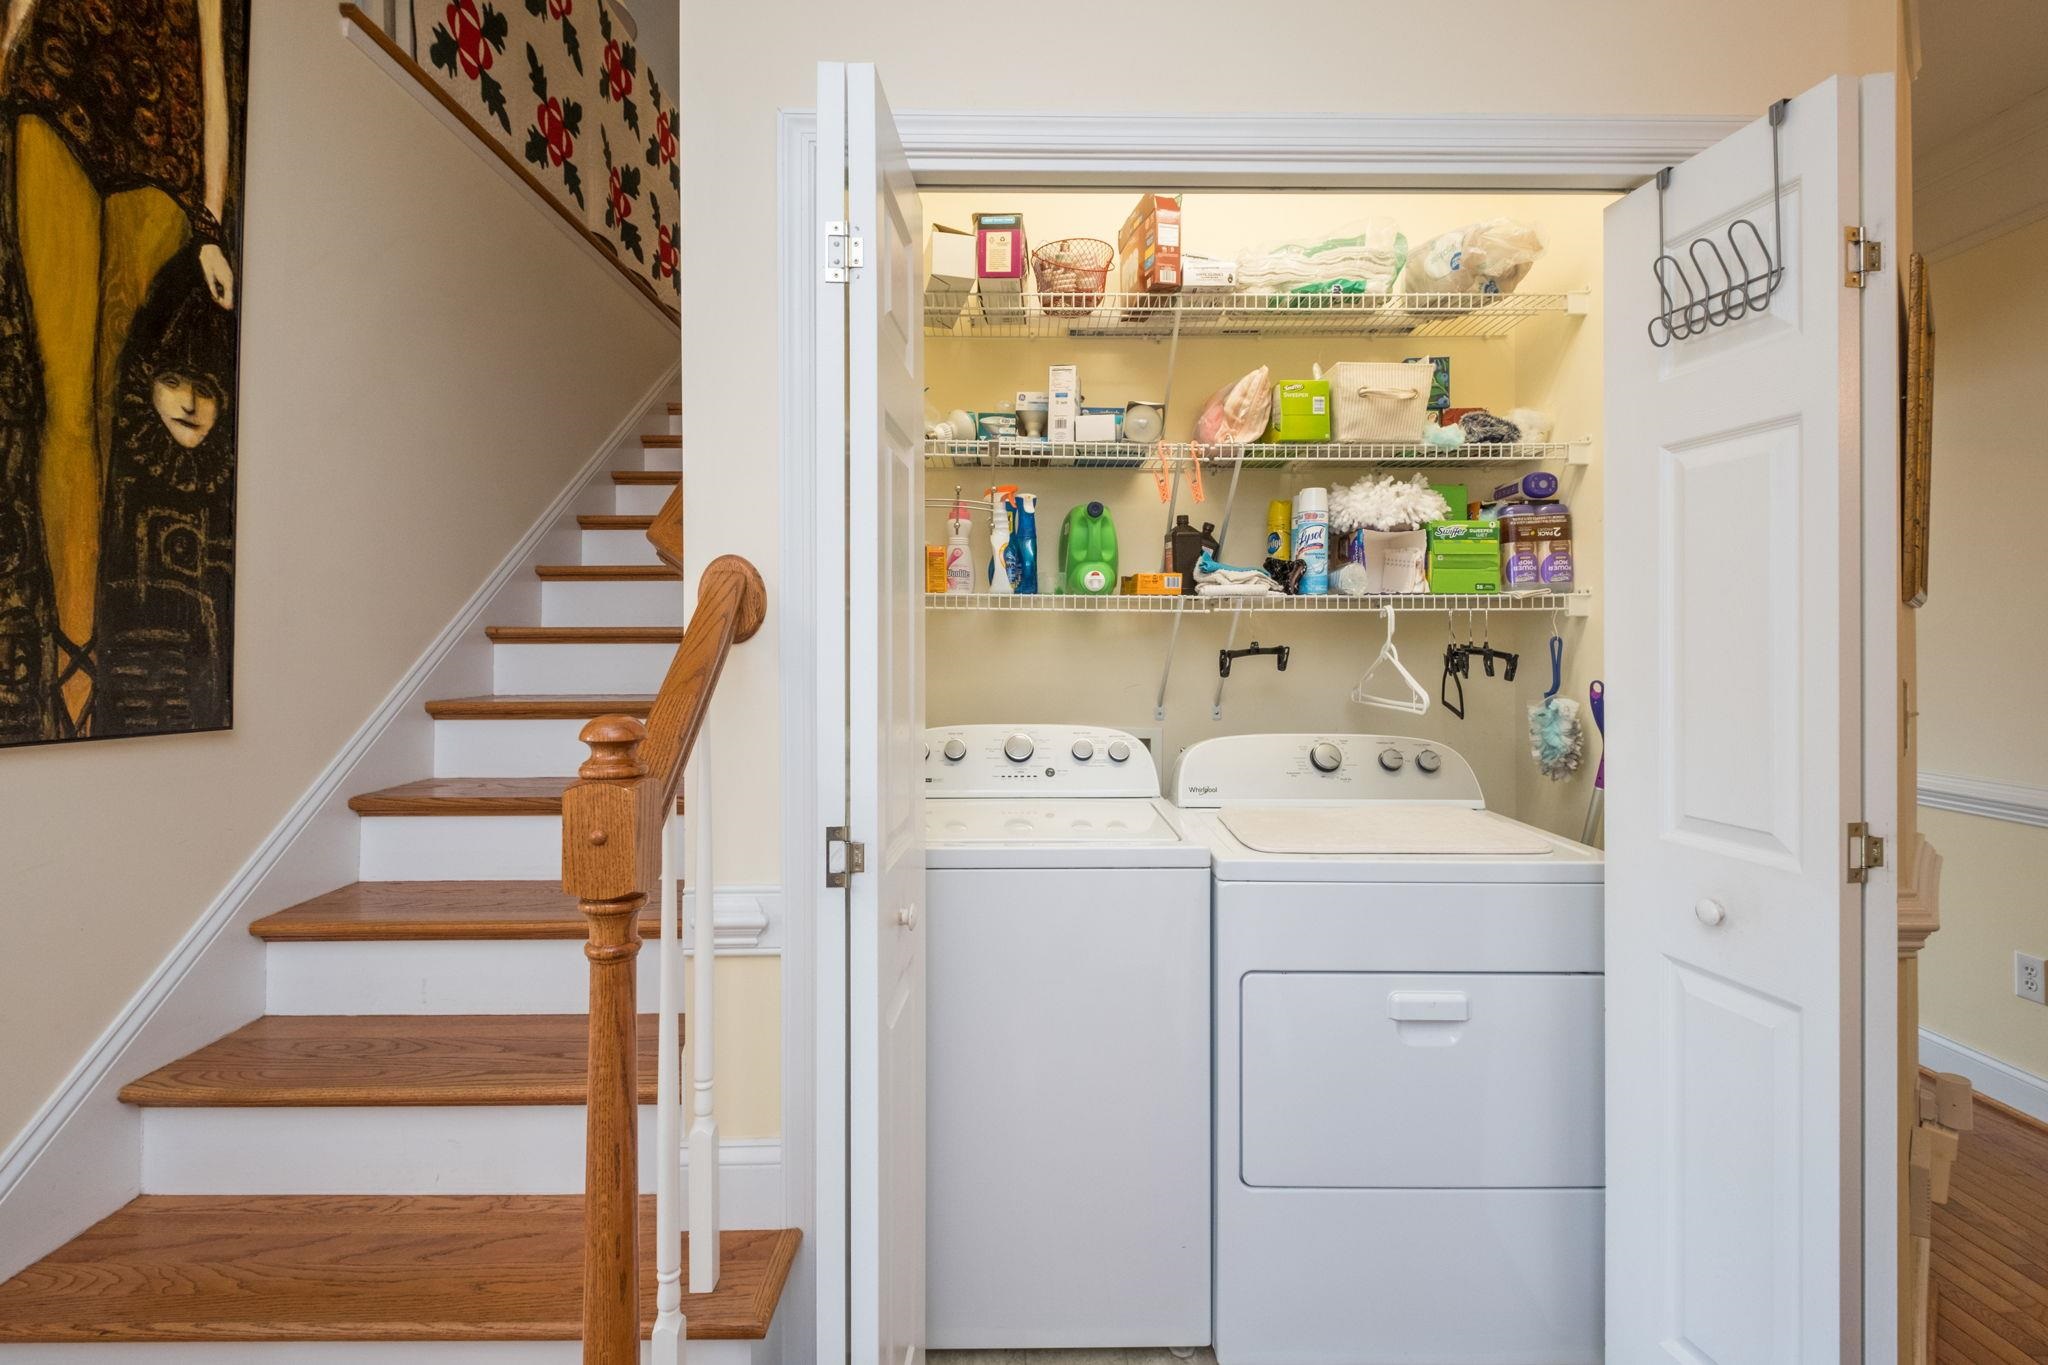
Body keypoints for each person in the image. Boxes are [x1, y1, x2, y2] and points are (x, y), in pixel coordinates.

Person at [0, 0, 237, 737]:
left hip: (161, 132)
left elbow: (212, 56)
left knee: (106, 409)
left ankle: (89, 658)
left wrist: (210, 222)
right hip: (55, 82)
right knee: (67, 404)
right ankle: (74, 657)